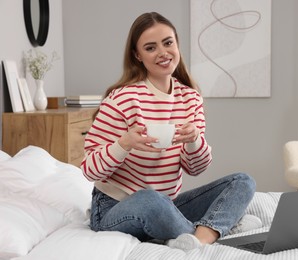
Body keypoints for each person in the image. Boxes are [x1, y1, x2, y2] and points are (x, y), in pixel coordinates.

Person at [81, 12, 261, 251]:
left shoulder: (190, 98)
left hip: (167, 206)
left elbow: (196, 168)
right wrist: (123, 144)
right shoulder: (122, 99)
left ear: (177, 44)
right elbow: (89, 169)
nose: (163, 52)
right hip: (114, 208)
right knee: (150, 199)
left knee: (242, 182)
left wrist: (194, 141)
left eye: (168, 43)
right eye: (150, 47)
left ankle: (202, 236)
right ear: (138, 55)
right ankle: (216, 230)